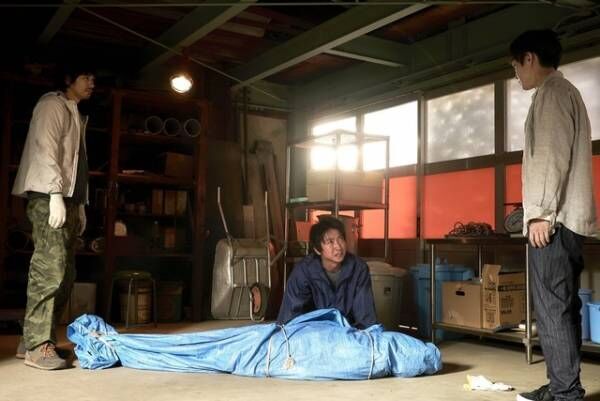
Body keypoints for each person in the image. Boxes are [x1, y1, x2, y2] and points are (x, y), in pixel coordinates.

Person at [510, 30, 597, 401]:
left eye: (516, 65)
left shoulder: (552, 93)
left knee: (552, 308)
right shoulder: (567, 93)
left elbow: (550, 157)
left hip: (554, 223)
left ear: (530, 58)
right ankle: (563, 385)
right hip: (570, 221)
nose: (516, 74)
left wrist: (540, 214)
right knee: (565, 307)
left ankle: (565, 393)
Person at [12, 64, 95, 370]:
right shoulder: (52, 105)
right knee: (50, 270)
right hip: (49, 196)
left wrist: (80, 204)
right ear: (68, 78)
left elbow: (76, 164)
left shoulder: (74, 111)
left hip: (68, 199)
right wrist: (54, 194)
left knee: (66, 274)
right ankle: (38, 347)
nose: (91, 82)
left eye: (93, 78)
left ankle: (30, 340)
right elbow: (45, 150)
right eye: (85, 76)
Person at [277, 215, 377, 329]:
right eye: (330, 242)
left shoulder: (358, 268)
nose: (338, 246)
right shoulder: (303, 271)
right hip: (312, 334)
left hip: (347, 333)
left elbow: (366, 318)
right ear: (317, 249)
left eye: (340, 239)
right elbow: (290, 319)